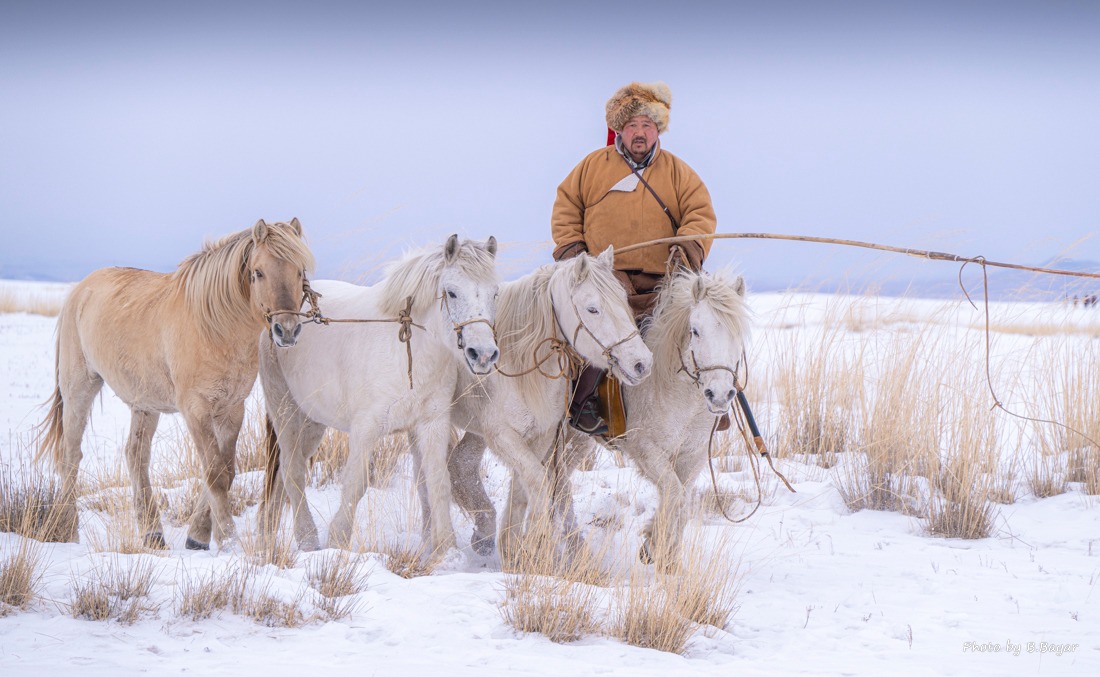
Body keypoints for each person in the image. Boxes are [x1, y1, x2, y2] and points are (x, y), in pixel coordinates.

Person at [551, 81, 719, 435]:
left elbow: (700, 214)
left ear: (658, 129)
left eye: (647, 125)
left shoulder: (679, 173)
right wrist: (576, 256)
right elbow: (566, 208)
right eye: (632, 125)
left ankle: (710, 403)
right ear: (619, 129)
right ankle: (581, 404)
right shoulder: (592, 167)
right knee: (599, 330)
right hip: (607, 278)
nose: (640, 133)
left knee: (702, 328)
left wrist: (686, 249)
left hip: (664, 280)